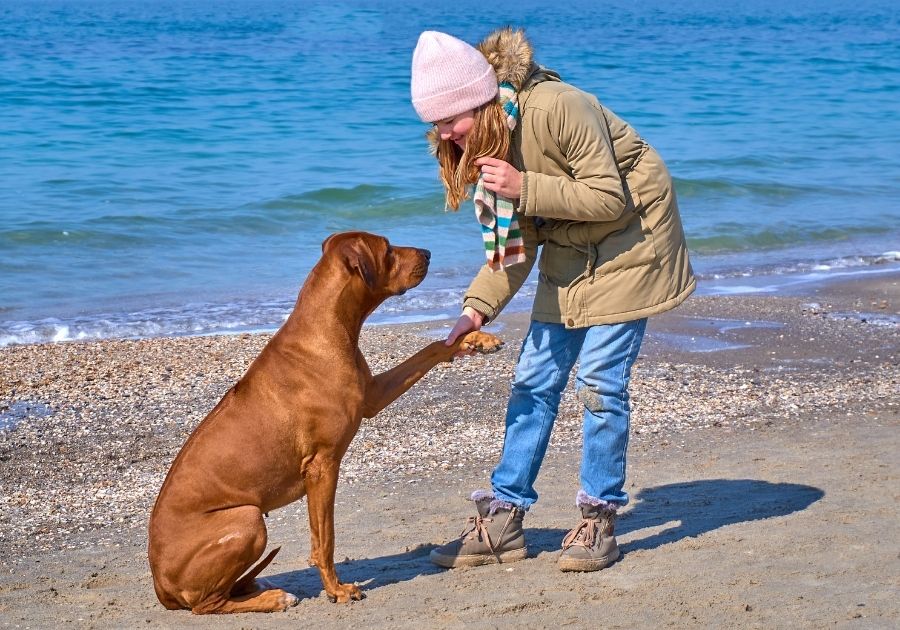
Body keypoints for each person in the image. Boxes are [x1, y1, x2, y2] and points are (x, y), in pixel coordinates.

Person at [410, 27, 695, 572]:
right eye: (436, 125)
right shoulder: (489, 145)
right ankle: (504, 516)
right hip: (572, 242)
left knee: (599, 384)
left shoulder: (563, 107)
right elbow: (516, 246)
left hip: (633, 239)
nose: (446, 135)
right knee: (532, 380)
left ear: (481, 99)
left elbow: (609, 197)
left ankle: (599, 519)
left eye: (451, 120)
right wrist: (475, 309)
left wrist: (525, 187)